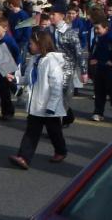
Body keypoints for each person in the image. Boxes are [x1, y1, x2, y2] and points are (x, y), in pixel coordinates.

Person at [9, 31, 67, 170]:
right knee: (32, 131)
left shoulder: (51, 62)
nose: (29, 46)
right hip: (36, 103)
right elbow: (29, 78)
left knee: (54, 131)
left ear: (40, 44)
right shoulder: (34, 60)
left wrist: (52, 105)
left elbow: (56, 85)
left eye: (31, 44)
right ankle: (24, 157)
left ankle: (61, 151)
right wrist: (16, 79)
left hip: (48, 105)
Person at [48, 6, 88, 127]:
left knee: (61, 94)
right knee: (53, 93)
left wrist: (84, 71)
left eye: (53, 15)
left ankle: (57, 124)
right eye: (50, 14)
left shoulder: (70, 32)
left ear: (61, 16)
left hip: (67, 68)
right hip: (53, 66)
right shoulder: (50, 30)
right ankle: (67, 117)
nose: (50, 17)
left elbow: (79, 52)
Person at [89, 20, 112, 121]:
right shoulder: (98, 38)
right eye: (95, 28)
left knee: (110, 89)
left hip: (111, 67)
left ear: (106, 28)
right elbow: (95, 49)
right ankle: (98, 112)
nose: (96, 31)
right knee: (99, 89)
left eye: (98, 28)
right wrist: (93, 58)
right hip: (100, 65)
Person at [0, 17, 20, 119]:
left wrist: (15, 67)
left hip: (8, 66)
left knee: (5, 90)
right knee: (2, 90)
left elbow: (16, 53)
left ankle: (8, 112)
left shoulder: (9, 40)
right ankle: (6, 111)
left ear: (5, 29)